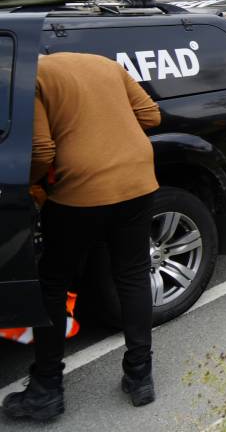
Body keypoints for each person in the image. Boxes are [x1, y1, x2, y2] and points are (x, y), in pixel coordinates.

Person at [2, 53, 161, 422]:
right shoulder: (104, 62)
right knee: (133, 274)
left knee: (53, 283)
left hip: (81, 189)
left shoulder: (33, 75)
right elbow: (151, 116)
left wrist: (29, 186)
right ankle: (140, 377)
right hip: (139, 179)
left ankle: (46, 389)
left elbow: (42, 151)